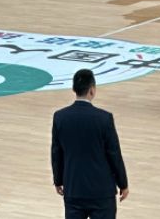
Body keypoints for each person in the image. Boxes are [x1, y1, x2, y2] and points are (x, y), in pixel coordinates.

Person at [51, 69, 129, 219]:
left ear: (74, 89)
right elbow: (114, 154)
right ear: (92, 90)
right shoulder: (104, 118)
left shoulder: (60, 117)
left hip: (74, 188)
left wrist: (58, 180)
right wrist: (123, 184)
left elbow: (56, 152)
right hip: (102, 192)